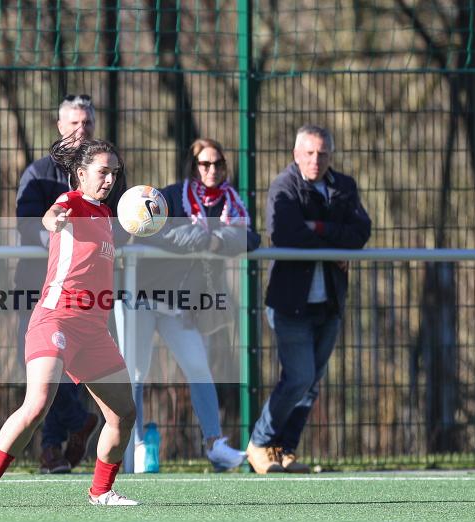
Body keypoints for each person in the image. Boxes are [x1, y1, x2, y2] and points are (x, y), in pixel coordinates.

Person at [0, 137, 137, 508]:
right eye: (102, 172)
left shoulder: (108, 217)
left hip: (94, 331)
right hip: (55, 319)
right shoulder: (69, 203)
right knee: (37, 404)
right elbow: (52, 215)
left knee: (124, 415)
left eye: (114, 174)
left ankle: (101, 492)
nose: (109, 180)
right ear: (80, 173)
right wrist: (53, 219)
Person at [247, 125, 371, 474]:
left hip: (329, 301)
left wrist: (318, 231)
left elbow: (360, 231)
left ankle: (284, 448)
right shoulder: (284, 186)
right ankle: (260, 441)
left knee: (310, 384)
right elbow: (287, 233)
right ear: (296, 154)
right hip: (290, 303)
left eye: (323, 154)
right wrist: (334, 243)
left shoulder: (343, 186)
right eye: (310, 153)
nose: (316, 160)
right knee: (299, 377)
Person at [14, 94, 128, 474]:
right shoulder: (40, 175)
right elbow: (34, 221)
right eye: (74, 123)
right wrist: (61, 233)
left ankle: (59, 452)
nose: (81, 130)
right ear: (59, 126)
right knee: (44, 381)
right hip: (41, 288)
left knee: (77, 382)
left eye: (87, 124)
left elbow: (118, 226)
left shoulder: (107, 174)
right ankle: (59, 438)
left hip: (91, 301)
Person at [132, 138, 260, 471]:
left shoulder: (232, 201)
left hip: (183, 303)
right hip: (143, 297)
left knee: (199, 368)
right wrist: (204, 238)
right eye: (205, 164)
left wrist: (218, 238)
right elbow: (148, 231)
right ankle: (134, 445)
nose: (212, 170)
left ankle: (215, 445)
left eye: (218, 163)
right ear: (194, 166)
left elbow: (251, 237)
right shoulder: (171, 196)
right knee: (135, 372)